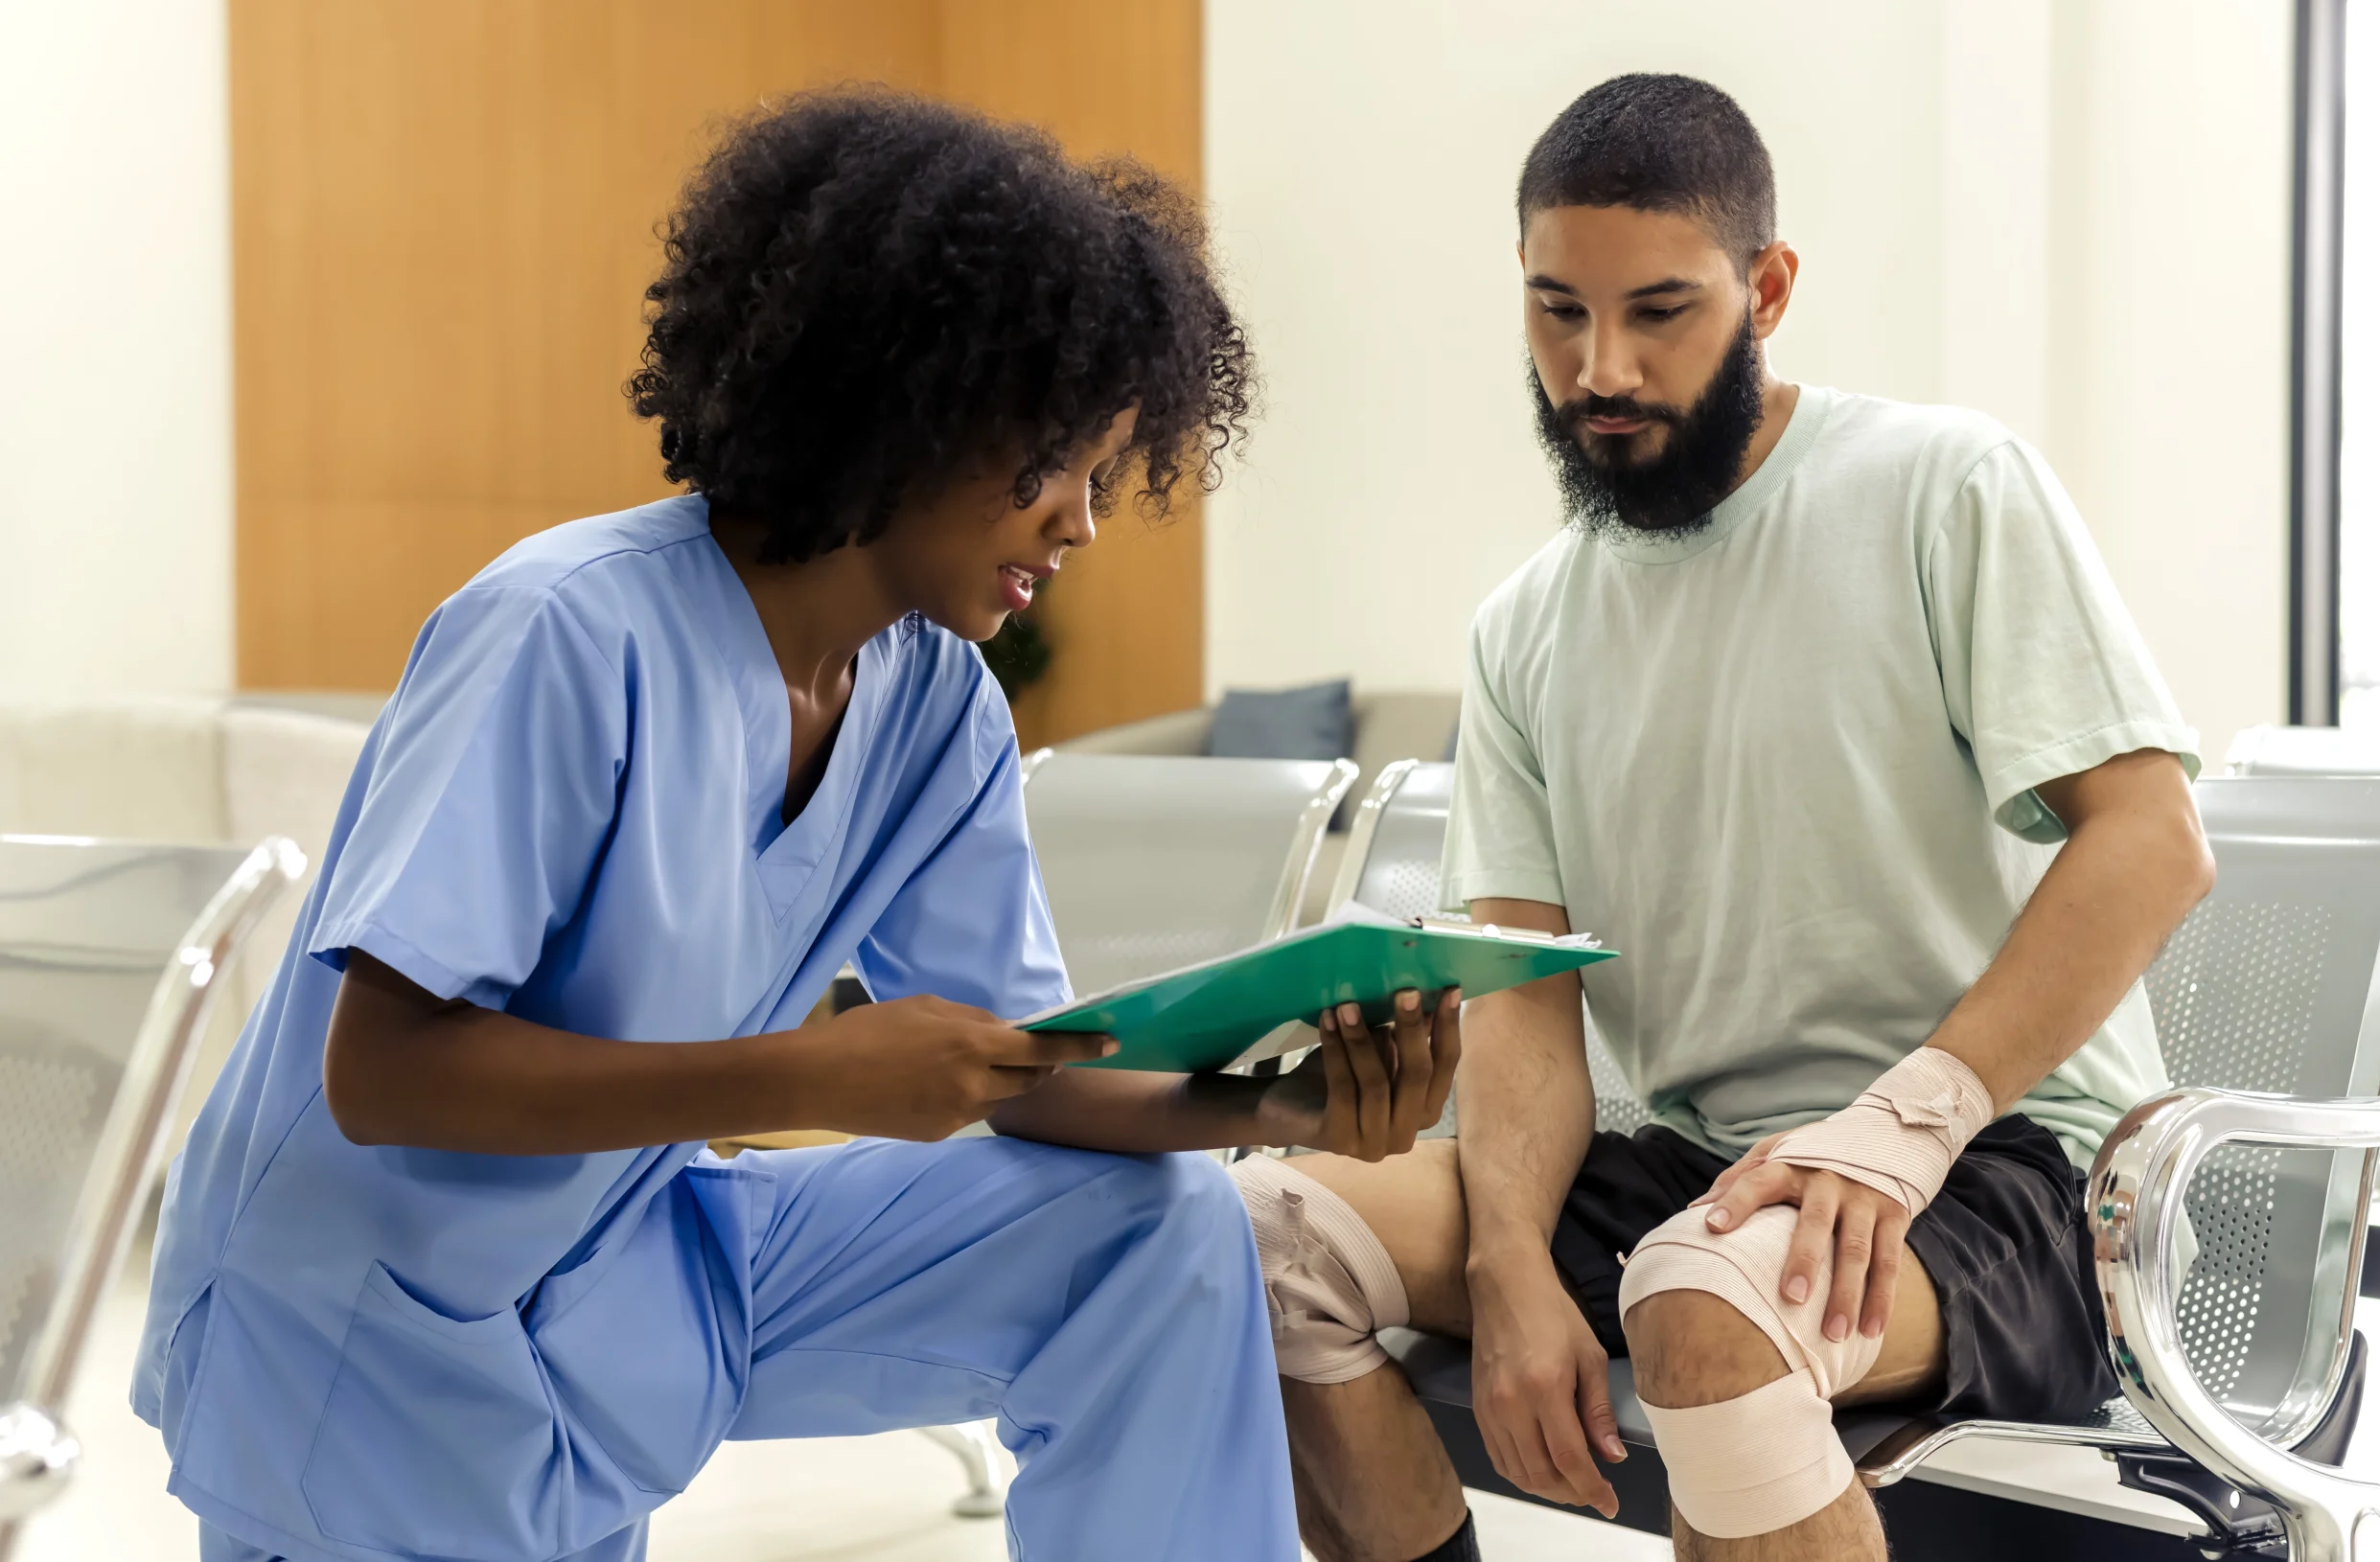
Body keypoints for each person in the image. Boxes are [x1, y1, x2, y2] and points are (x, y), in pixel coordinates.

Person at [132, 91, 1459, 1562]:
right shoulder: (564, 630)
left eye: (1104, 474)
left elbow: (1019, 1074)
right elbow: (381, 1074)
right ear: (918, 403)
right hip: (367, 1354)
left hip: (634, 1268)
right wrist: (811, 1069)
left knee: (1154, 1234)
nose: (1083, 521)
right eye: (1060, 464)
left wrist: (1277, 1111)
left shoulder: (937, 703)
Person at [1228, 73, 2214, 1562]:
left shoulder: (1945, 485)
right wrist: (1505, 1264)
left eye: (1659, 312)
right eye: (1558, 312)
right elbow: (1524, 1003)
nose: (1598, 365)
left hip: (2010, 1170)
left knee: (1708, 1301)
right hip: (1706, 1169)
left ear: (1767, 289)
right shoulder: (1524, 627)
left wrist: (1902, 1128)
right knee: (1263, 1239)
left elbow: (2152, 841)